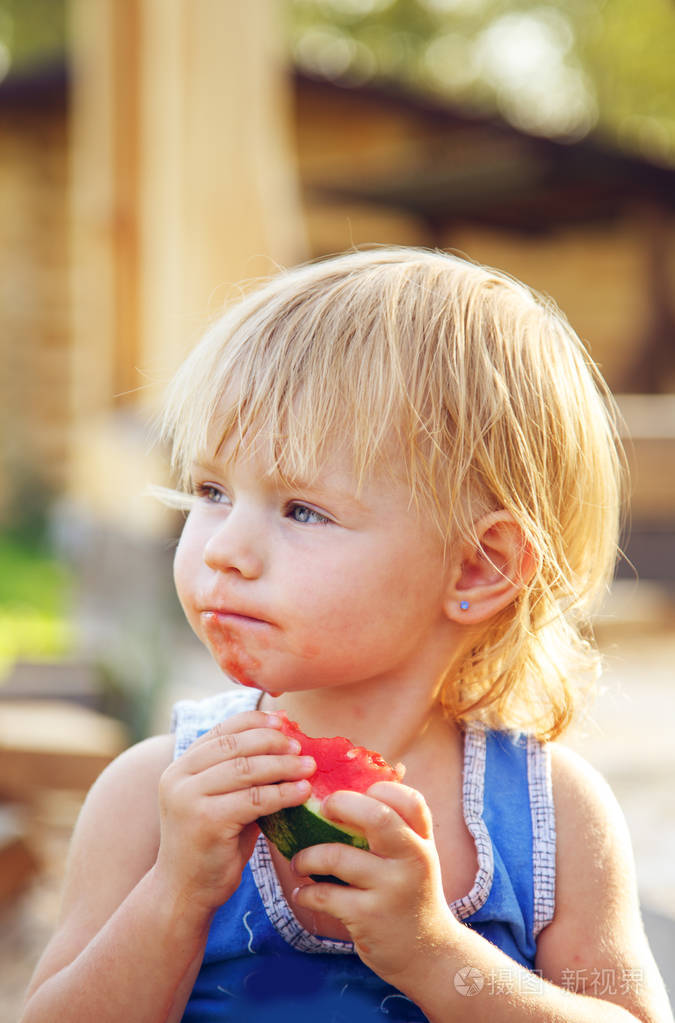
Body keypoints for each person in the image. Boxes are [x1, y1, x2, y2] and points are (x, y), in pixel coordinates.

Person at [21, 248, 672, 1023]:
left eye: (302, 509)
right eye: (212, 490)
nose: (224, 546)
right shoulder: (149, 794)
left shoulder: (549, 814)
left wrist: (434, 951)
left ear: (475, 567)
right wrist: (175, 892)